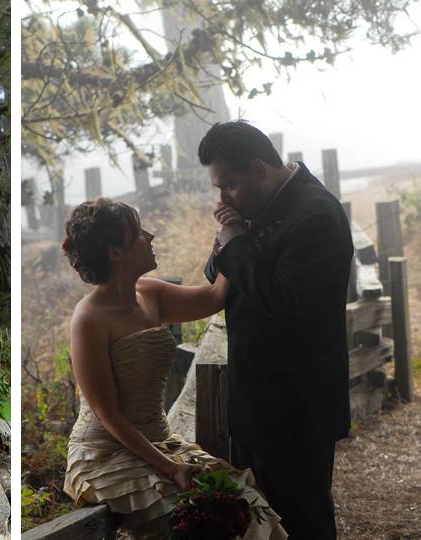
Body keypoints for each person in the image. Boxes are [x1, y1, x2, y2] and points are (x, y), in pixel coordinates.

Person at [62, 198, 286, 539]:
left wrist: (231, 242)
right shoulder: (89, 319)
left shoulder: (149, 293)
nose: (150, 236)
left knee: (248, 508)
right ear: (115, 253)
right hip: (106, 455)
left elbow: (214, 297)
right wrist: (170, 469)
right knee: (201, 517)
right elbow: (107, 414)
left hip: (161, 440)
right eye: (137, 233)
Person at [200, 120, 354, 539]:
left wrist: (236, 242)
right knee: (261, 526)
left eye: (227, 185)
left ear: (259, 170)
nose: (221, 199)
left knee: (302, 524)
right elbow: (218, 272)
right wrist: (227, 242)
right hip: (254, 406)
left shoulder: (316, 215)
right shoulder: (257, 208)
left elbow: (285, 302)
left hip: (297, 410)